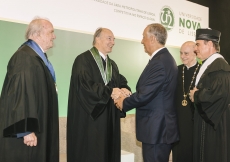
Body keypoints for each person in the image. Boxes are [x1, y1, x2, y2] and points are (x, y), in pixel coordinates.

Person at [115, 23, 179, 162]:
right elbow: (151, 92)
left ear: (153, 39)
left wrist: (124, 102)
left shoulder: (160, 62)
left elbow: (145, 94)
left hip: (157, 130)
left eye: (144, 37)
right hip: (158, 129)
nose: (142, 41)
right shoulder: (163, 59)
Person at [67, 27, 131, 162]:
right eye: (109, 38)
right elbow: (84, 86)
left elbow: (120, 80)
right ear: (97, 39)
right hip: (90, 122)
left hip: (109, 120)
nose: (113, 42)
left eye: (114, 39)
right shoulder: (82, 60)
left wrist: (124, 89)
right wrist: (109, 91)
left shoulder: (112, 64)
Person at [0, 17, 59, 162]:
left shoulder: (36, 58)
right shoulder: (24, 57)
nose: (54, 36)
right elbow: (18, 95)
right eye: (51, 32)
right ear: (37, 34)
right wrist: (25, 130)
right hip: (27, 136)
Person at [189, 28, 230, 162]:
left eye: (198, 44)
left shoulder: (219, 67)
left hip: (213, 127)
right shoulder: (210, 65)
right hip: (205, 123)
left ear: (210, 44)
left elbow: (217, 96)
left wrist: (196, 95)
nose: (195, 48)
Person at [172, 41, 200, 162]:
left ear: (195, 53)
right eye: (181, 53)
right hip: (177, 121)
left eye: (186, 53)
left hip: (194, 121)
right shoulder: (176, 70)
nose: (183, 56)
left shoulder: (202, 71)